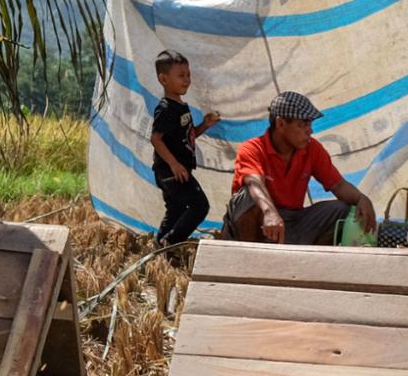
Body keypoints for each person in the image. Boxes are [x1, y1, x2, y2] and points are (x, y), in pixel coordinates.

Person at [221, 91, 377, 244]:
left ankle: (306, 261)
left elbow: (338, 184)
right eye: (302, 125)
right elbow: (254, 183)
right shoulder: (253, 148)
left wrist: (362, 199)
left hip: (292, 222)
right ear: (280, 124)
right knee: (248, 195)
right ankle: (248, 256)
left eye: (309, 124)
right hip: (258, 224)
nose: (309, 131)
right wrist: (269, 212)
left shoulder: (312, 149)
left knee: (340, 209)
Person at [150, 50, 220, 246]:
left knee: (176, 209)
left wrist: (204, 125)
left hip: (176, 170)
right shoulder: (166, 108)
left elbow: (187, 137)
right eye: (181, 76)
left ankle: (160, 248)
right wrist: (174, 165)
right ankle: (171, 242)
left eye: (188, 75)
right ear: (163, 79)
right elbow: (156, 139)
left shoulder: (181, 106)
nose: (187, 80)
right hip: (171, 170)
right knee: (200, 206)